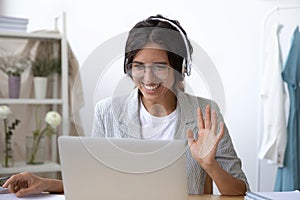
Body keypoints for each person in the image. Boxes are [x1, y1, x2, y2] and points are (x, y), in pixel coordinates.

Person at [3, 14, 249, 197]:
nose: (148, 78)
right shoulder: (107, 112)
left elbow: (240, 189)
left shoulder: (205, 114)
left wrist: (210, 165)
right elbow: (96, 182)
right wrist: (47, 183)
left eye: (160, 67)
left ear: (179, 69)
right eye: (138, 66)